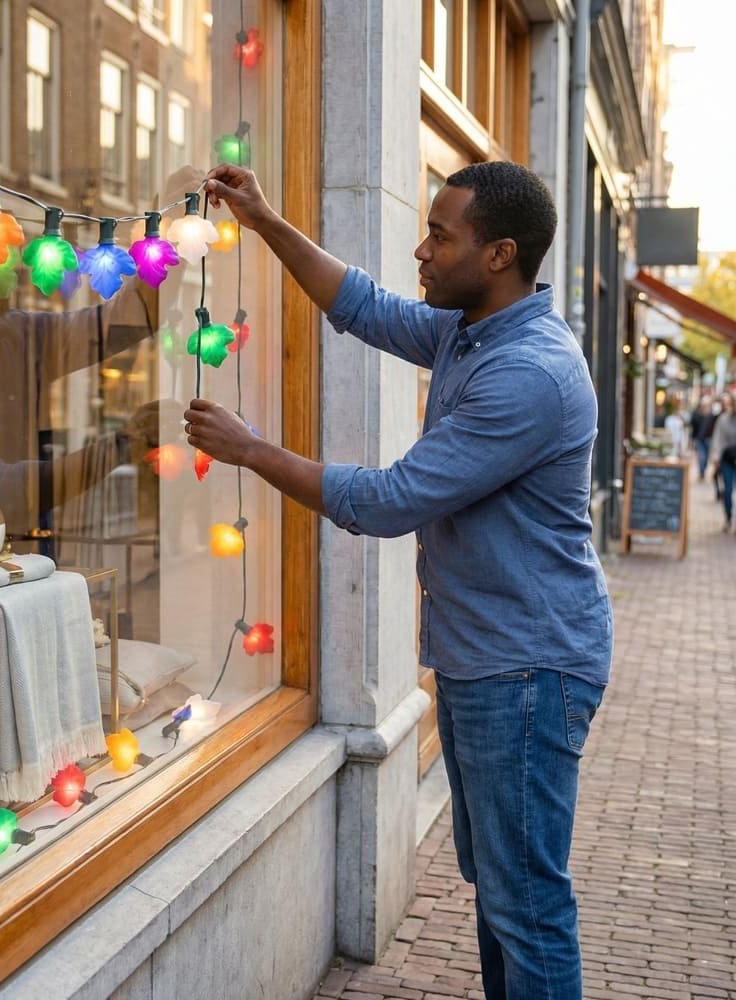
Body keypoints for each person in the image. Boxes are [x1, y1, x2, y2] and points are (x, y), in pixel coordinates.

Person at [186, 161, 612, 1000]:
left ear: (498, 254)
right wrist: (266, 220)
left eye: (440, 235)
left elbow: (391, 501)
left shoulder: (528, 373)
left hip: (525, 668)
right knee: (503, 894)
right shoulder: (473, 329)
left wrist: (252, 451)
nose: (421, 249)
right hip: (489, 656)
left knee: (526, 905)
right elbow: (365, 306)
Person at [708, 391, 736, 532]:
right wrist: (716, 457)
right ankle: (728, 518)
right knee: (728, 490)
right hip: (727, 460)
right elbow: (718, 439)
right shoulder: (724, 419)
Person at [689, 394, 718, 482]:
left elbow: (715, 428)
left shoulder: (712, 415)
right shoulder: (696, 414)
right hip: (699, 439)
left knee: (706, 458)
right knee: (701, 457)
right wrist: (692, 439)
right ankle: (701, 473)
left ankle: (703, 471)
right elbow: (693, 428)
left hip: (709, 439)